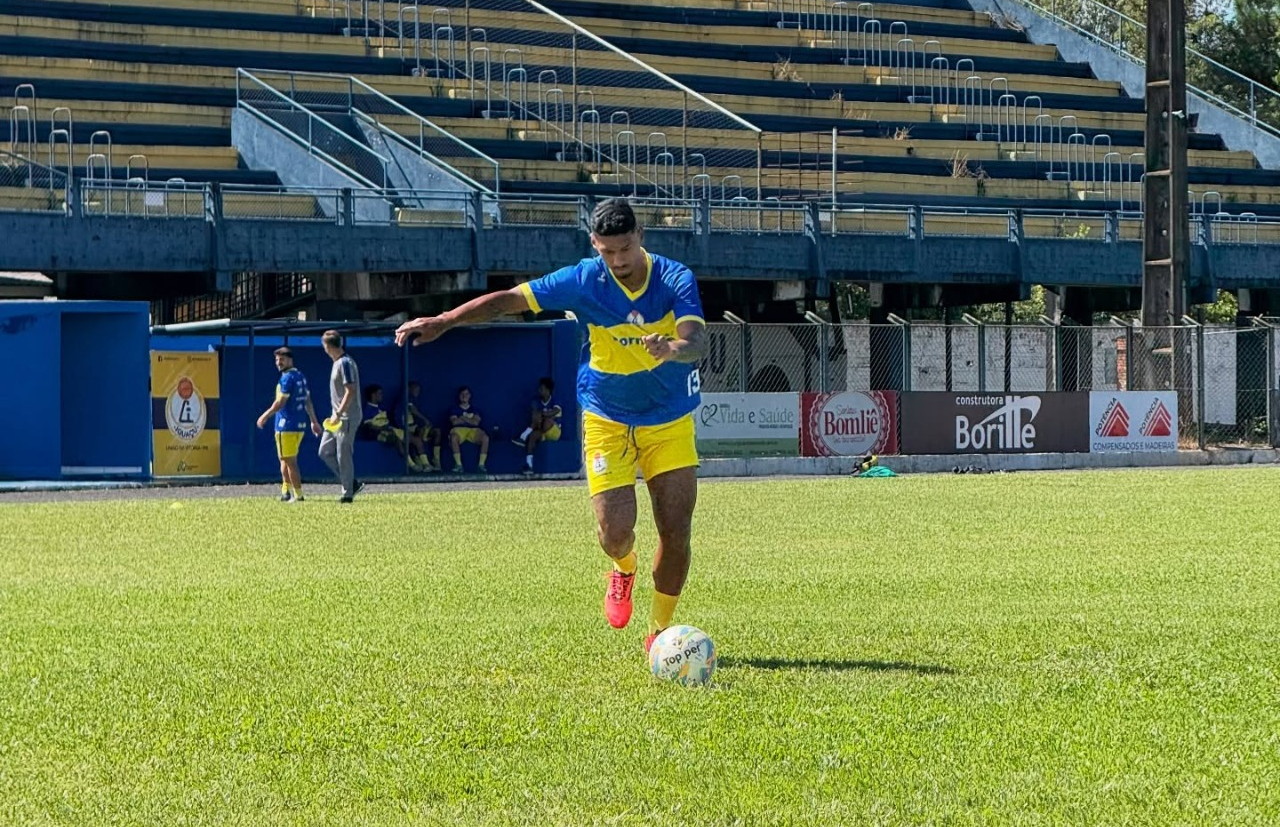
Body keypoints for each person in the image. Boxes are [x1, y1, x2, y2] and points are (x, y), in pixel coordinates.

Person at [394, 197, 708, 652]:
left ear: (640, 236)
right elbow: (508, 300)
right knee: (613, 534)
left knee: (676, 531)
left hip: (669, 418)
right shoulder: (583, 280)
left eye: (625, 248)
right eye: (608, 252)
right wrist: (445, 321)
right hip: (607, 418)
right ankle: (623, 568)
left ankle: (660, 635)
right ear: (594, 245)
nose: (618, 261)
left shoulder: (674, 277)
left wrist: (673, 350)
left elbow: (696, 339)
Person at [255, 346, 321, 502]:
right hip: (299, 425)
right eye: (277, 360)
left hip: (286, 425)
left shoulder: (287, 378)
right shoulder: (300, 376)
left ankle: (298, 495)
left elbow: (280, 402)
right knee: (285, 459)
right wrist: (313, 421)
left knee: (290, 462)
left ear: (290, 359)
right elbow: (307, 400)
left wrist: (264, 416)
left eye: (282, 359)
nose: (279, 363)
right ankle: (285, 490)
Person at [318, 330, 364, 503]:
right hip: (336, 417)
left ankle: (348, 493)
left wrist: (339, 413)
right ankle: (351, 482)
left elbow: (350, 390)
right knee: (324, 452)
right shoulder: (336, 363)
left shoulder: (345, 363)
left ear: (328, 346)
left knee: (343, 454)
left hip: (347, 417)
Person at [360, 384, 431, 472]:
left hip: (391, 429)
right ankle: (412, 465)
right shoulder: (367, 409)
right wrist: (382, 429)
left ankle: (426, 464)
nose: (382, 396)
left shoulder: (381, 407)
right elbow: (369, 426)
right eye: (380, 393)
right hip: (379, 433)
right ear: (373, 395)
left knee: (416, 439)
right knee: (396, 438)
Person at [512, 376, 562, 475]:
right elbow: (534, 414)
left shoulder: (555, 400)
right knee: (532, 437)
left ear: (548, 390)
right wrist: (538, 415)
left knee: (546, 419)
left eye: (542, 389)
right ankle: (529, 466)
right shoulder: (536, 401)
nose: (539, 390)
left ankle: (523, 436)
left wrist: (541, 415)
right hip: (541, 429)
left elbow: (553, 412)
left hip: (554, 432)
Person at [396, 380, 442, 471]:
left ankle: (436, 460)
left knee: (436, 432)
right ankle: (422, 462)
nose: (417, 391)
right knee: (417, 438)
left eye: (418, 389)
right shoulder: (404, 399)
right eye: (415, 389)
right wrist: (425, 420)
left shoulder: (414, 399)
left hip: (415, 427)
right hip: (404, 428)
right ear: (409, 389)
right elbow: (413, 410)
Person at [447, 385, 489, 473]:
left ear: (470, 396)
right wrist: (470, 419)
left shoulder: (475, 409)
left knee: (485, 438)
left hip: (473, 430)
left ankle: (481, 465)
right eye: (462, 394)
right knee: (453, 437)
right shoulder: (454, 408)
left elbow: (476, 423)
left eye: (466, 394)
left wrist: (462, 417)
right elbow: (454, 422)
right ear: (459, 396)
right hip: (459, 430)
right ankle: (458, 465)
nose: (464, 396)